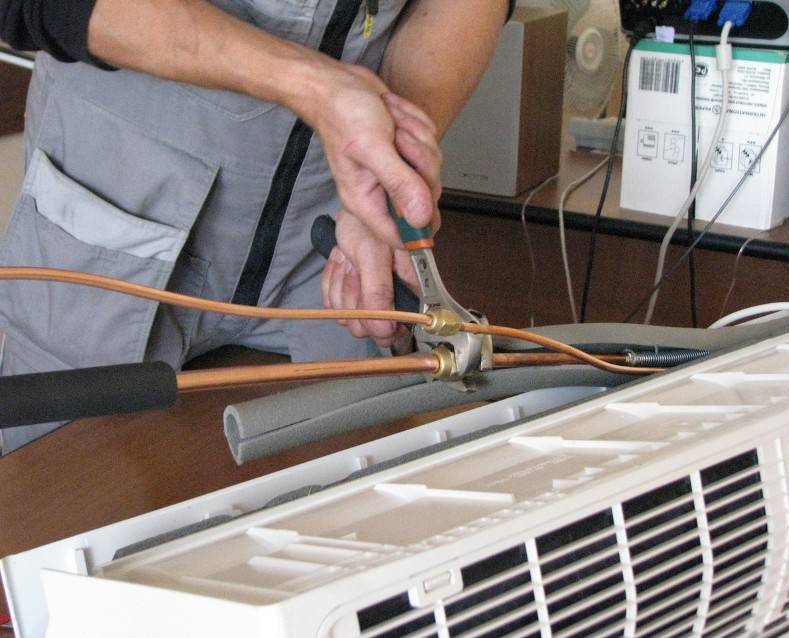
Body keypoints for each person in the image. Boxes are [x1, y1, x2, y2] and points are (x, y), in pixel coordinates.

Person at [0, 0, 512, 453]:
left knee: (355, 482)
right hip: (117, 215)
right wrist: (315, 87)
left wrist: (389, 157)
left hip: (330, 234)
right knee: (67, 491)